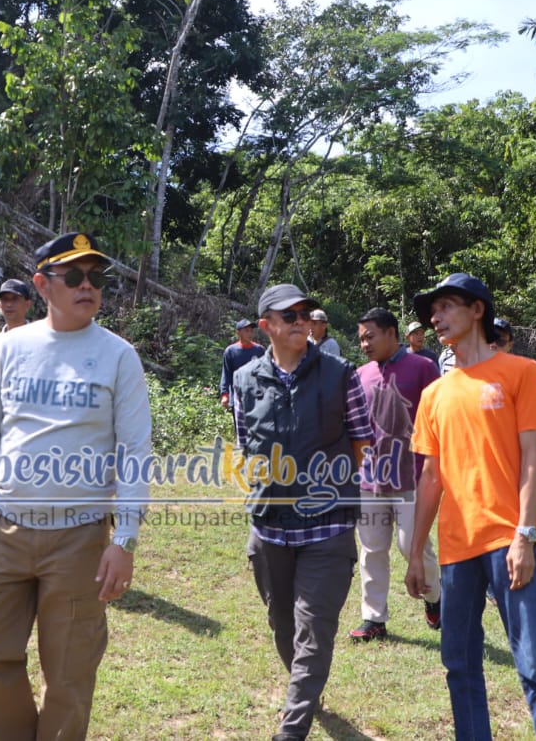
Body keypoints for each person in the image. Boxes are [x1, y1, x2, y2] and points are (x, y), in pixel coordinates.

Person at [0, 232, 152, 741]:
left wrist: (125, 542)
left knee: (70, 676)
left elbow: (135, 452)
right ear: (42, 284)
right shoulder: (11, 347)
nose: (87, 286)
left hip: (79, 540)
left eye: (96, 277)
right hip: (5, 535)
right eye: (73, 276)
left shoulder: (119, 356)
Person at [404, 272, 536, 741]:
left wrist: (525, 535)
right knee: (458, 665)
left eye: (445, 306)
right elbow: (431, 477)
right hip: (458, 549)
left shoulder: (520, 372)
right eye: (431, 312)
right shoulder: (433, 394)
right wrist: (417, 553)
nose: (435, 318)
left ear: (477, 309)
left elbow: (531, 459)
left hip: (509, 540)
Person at [231, 284, 372, 741]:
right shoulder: (244, 379)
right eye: (287, 315)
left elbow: (359, 441)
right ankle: (305, 690)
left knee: (315, 629)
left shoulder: (339, 373)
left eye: (304, 313)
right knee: (282, 624)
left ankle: (291, 730)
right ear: (265, 325)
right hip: (269, 527)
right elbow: (244, 444)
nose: (299, 320)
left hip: (327, 526)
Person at [350, 307, 441, 643]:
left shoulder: (423, 368)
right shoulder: (361, 374)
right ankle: (373, 618)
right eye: (360, 338)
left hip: (411, 478)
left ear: (392, 333)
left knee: (410, 546)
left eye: (370, 336)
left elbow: (440, 418)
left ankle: (435, 597)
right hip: (370, 480)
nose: (364, 344)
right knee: (372, 549)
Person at [220, 318, 265, 408]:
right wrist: (225, 395)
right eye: (246, 331)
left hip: (256, 396)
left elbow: (265, 373)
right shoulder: (231, 351)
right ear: (238, 333)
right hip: (237, 396)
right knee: (239, 422)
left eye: (251, 331)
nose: (250, 334)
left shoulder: (259, 350)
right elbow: (226, 374)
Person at [0, 278, 32, 353]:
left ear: (28, 304)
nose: (9, 304)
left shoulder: (38, 338)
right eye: (5, 299)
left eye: (15, 299)